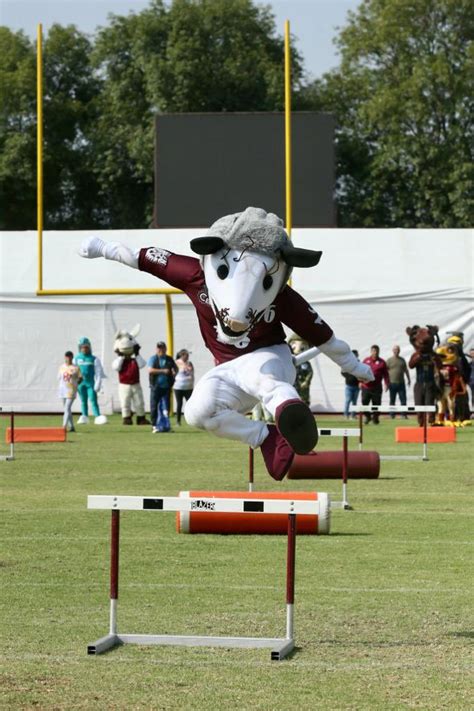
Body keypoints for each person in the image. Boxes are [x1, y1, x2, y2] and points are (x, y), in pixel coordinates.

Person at [79, 206, 373, 480]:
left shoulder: (283, 298)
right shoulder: (195, 275)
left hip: (270, 358)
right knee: (197, 412)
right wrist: (105, 248)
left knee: (258, 374)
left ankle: (287, 406)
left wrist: (354, 366)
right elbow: (144, 258)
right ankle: (265, 437)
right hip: (228, 369)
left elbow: (321, 333)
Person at [112, 325, 150, 426]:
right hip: (124, 384)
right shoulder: (120, 361)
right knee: (125, 402)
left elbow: (142, 364)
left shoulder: (135, 360)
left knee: (139, 402)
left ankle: (141, 418)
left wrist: (137, 354)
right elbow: (116, 367)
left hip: (135, 383)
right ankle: (126, 418)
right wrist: (120, 356)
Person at [73, 337, 107, 425]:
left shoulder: (94, 359)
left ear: (89, 347)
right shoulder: (76, 359)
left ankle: (97, 416)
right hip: (81, 384)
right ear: (80, 347)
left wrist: (98, 383)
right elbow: (73, 371)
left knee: (93, 399)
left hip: (90, 383)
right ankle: (84, 416)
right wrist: (73, 383)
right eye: (83, 347)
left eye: (86, 347)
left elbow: (98, 372)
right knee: (83, 401)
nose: (84, 349)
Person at [147, 342, 177, 433]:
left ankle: (166, 425)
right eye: (159, 348)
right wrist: (163, 371)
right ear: (156, 349)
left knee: (166, 407)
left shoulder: (169, 359)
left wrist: (174, 373)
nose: (161, 350)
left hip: (166, 387)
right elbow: (150, 370)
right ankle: (154, 425)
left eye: (162, 348)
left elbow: (175, 368)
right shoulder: (153, 359)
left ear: (165, 349)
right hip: (155, 387)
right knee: (154, 407)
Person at [360, 345, 389, 424]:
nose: (375, 352)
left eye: (376, 351)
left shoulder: (382, 362)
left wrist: (386, 383)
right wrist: (360, 382)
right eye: (373, 351)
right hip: (366, 387)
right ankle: (368, 417)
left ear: (378, 352)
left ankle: (375, 418)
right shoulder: (366, 361)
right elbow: (360, 372)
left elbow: (386, 374)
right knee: (364, 403)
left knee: (376, 404)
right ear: (371, 351)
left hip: (377, 387)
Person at [57, 351, 82, 431]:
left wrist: (76, 383)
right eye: (67, 356)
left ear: (72, 357)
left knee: (67, 407)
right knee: (67, 409)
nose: (68, 358)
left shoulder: (76, 368)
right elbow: (59, 378)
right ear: (65, 357)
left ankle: (63, 426)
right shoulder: (61, 367)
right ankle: (72, 427)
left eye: (70, 356)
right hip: (63, 389)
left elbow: (80, 378)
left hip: (71, 390)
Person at [386, 345, 411, 418]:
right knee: (392, 400)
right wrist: (386, 383)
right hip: (392, 383)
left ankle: (403, 415)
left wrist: (409, 379)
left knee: (403, 400)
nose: (396, 351)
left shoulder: (402, 360)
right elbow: (385, 372)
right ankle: (392, 415)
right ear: (392, 351)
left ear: (399, 351)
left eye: (397, 349)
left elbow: (406, 370)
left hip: (401, 383)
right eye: (394, 349)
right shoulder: (389, 360)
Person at [288, 334, 313, 407]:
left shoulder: (306, 363)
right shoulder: (289, 361)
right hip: (292, 385)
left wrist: (306, 381)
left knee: (303, 400)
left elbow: (310, 372)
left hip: (303, 386)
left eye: (302, 347)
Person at [173, 349, 194, 426]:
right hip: (178, 387)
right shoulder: (176, 363)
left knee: (190, 404)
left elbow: (192, 374)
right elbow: (173, 373)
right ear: (182, 355)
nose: (187, 357)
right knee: (179, 404)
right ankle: (178, 421)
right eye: (186, 355)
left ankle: (192, 420)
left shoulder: (189, 363)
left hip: (188, 387)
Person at [341, 350, 360, 419]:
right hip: (349, 386)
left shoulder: (359, 363)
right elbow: (342, 372)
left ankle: (353, 415)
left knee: (354, 402)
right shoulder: (347, 363)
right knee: (348, 400)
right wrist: (348, 376)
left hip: (356, 386)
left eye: (356, 355)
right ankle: (346, 414)